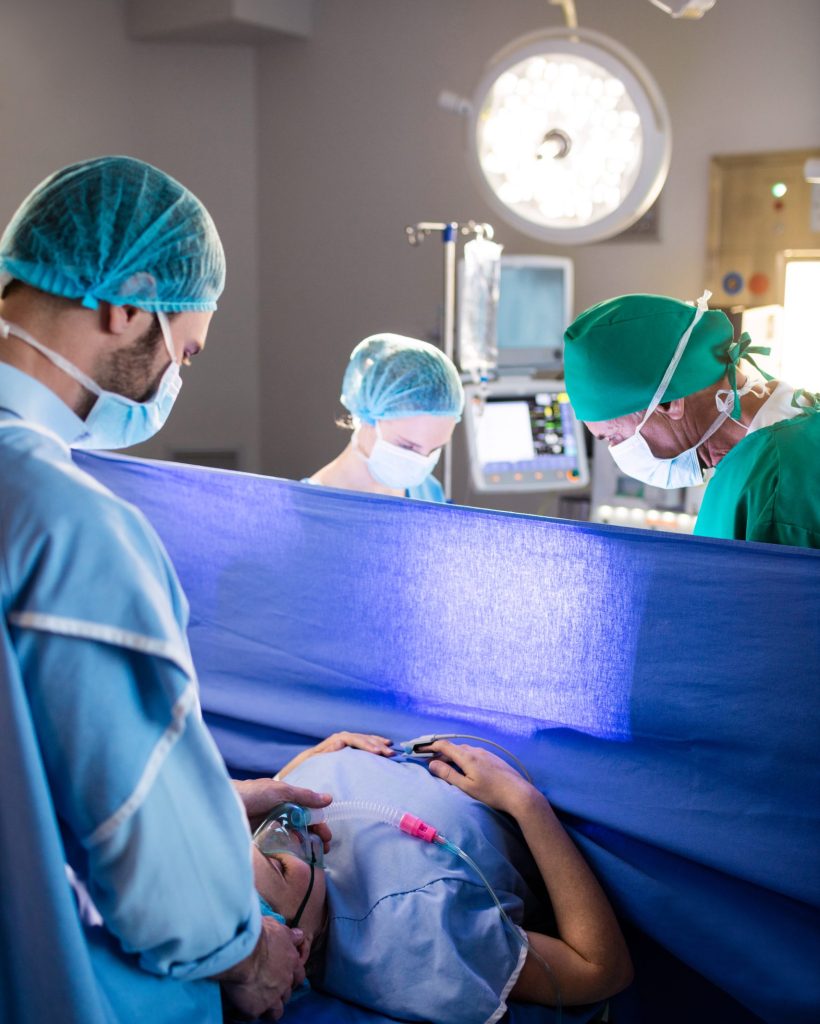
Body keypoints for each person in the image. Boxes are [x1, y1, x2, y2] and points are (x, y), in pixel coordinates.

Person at [0, 155, 332, 1023]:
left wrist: (209, 800)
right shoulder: (65, 524)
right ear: (126, 302)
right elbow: (135, 828)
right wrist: (245, 948)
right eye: (185, 350)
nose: (176, 378)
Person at [251, 732, 633, 1023]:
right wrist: (525, 803)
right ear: (297, 946)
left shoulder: (274, 810)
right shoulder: (419, 937)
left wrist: (302, 767)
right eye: (278, 866)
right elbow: (600, 971)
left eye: (245, 835)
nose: (280, 828)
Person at [563, 291, 820, 547]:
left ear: (668, 403)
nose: (616, 450)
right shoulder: (776, 444)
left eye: (614, 437)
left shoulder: (775, 484)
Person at [307, 333, 465, 502]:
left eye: (434, 450)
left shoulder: (429, 492)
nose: (420, 464)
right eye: (407, 447)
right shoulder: (306, 509)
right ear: (368, 417)